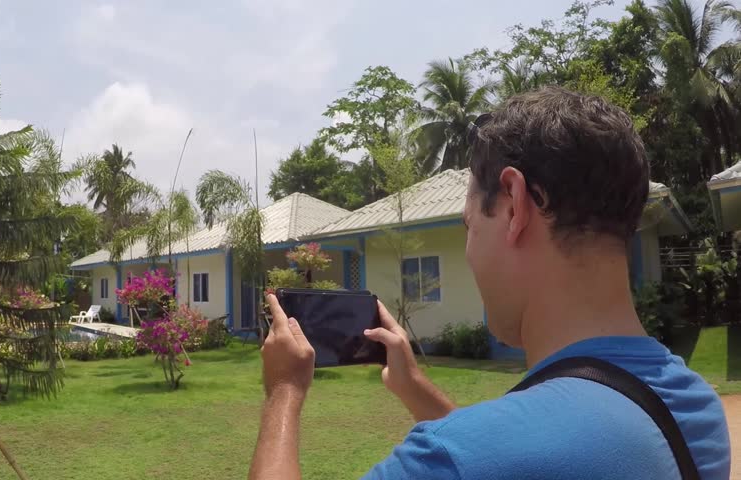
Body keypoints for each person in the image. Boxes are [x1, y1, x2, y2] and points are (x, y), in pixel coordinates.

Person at [248, 87, 731, 480]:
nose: (470, 249)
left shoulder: (450, 458)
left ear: (515, 205)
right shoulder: (698, 411)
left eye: (469, 226)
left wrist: (284, 392)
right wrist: (415, 388)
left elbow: (482, 456)